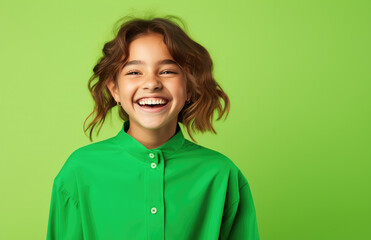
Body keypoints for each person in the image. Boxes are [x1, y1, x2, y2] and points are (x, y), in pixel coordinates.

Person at [46, 15, 260, 240]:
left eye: (167, 71)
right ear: (114, 89)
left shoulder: (222, 174)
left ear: (189, 88)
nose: (152, 83)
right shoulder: (79, 171)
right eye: (134, 72)